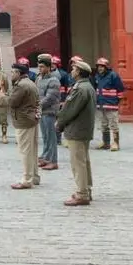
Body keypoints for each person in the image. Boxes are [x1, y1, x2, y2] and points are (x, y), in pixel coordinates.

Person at [56, 60, 96, 206]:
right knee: (84, 161)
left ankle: (82, 193)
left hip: (77, 130)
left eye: (74, 69)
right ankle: (86, 189)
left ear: (79, 72)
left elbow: (69, 110)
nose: (72, 71)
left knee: (78, 163)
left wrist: (59, 122)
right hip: (84, 129)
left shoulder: (80, 88)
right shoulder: (88, 86)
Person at [0, 63, 40, 190]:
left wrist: (1, 95)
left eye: (13, 72)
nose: (11, 74)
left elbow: (12, 102)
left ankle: (27, 180)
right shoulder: (31, 83)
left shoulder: (21, 85)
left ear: (18, 73)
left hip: (23, 120)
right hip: (31, 119)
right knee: (32, 150)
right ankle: (34, 176)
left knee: (25, 151)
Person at [36, 54, 61, 171]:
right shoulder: (39, 78)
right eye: (39, 66)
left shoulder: (54, 80)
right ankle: (45, 157)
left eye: (42, 67)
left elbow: (50, 98)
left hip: (50, 112)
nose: (39, 69)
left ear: (48, 67)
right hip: (42, 111)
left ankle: (53, 161)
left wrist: (38, 105)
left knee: (51, 137)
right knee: (45, 136)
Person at [94, 57, 125, 151]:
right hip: (101, 104)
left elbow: (120, 89)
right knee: (103, 125)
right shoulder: (97, 76)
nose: (100, 68)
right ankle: (106, 143)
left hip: (111, 104)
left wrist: (117, 101)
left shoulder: (113, 76)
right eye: (98, 66)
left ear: (106, 67)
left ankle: (116, 143)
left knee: (113, 124)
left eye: (102, 66)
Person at [53, 56, 70, 146]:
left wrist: (65, 100)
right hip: (53, 100)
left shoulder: (63, 74)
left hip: (61, 100)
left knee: (59, 119)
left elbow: (67, 88)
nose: (52, 65)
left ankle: (58, 139)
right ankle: (55, 138)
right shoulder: (49, 73)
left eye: (54, 64)